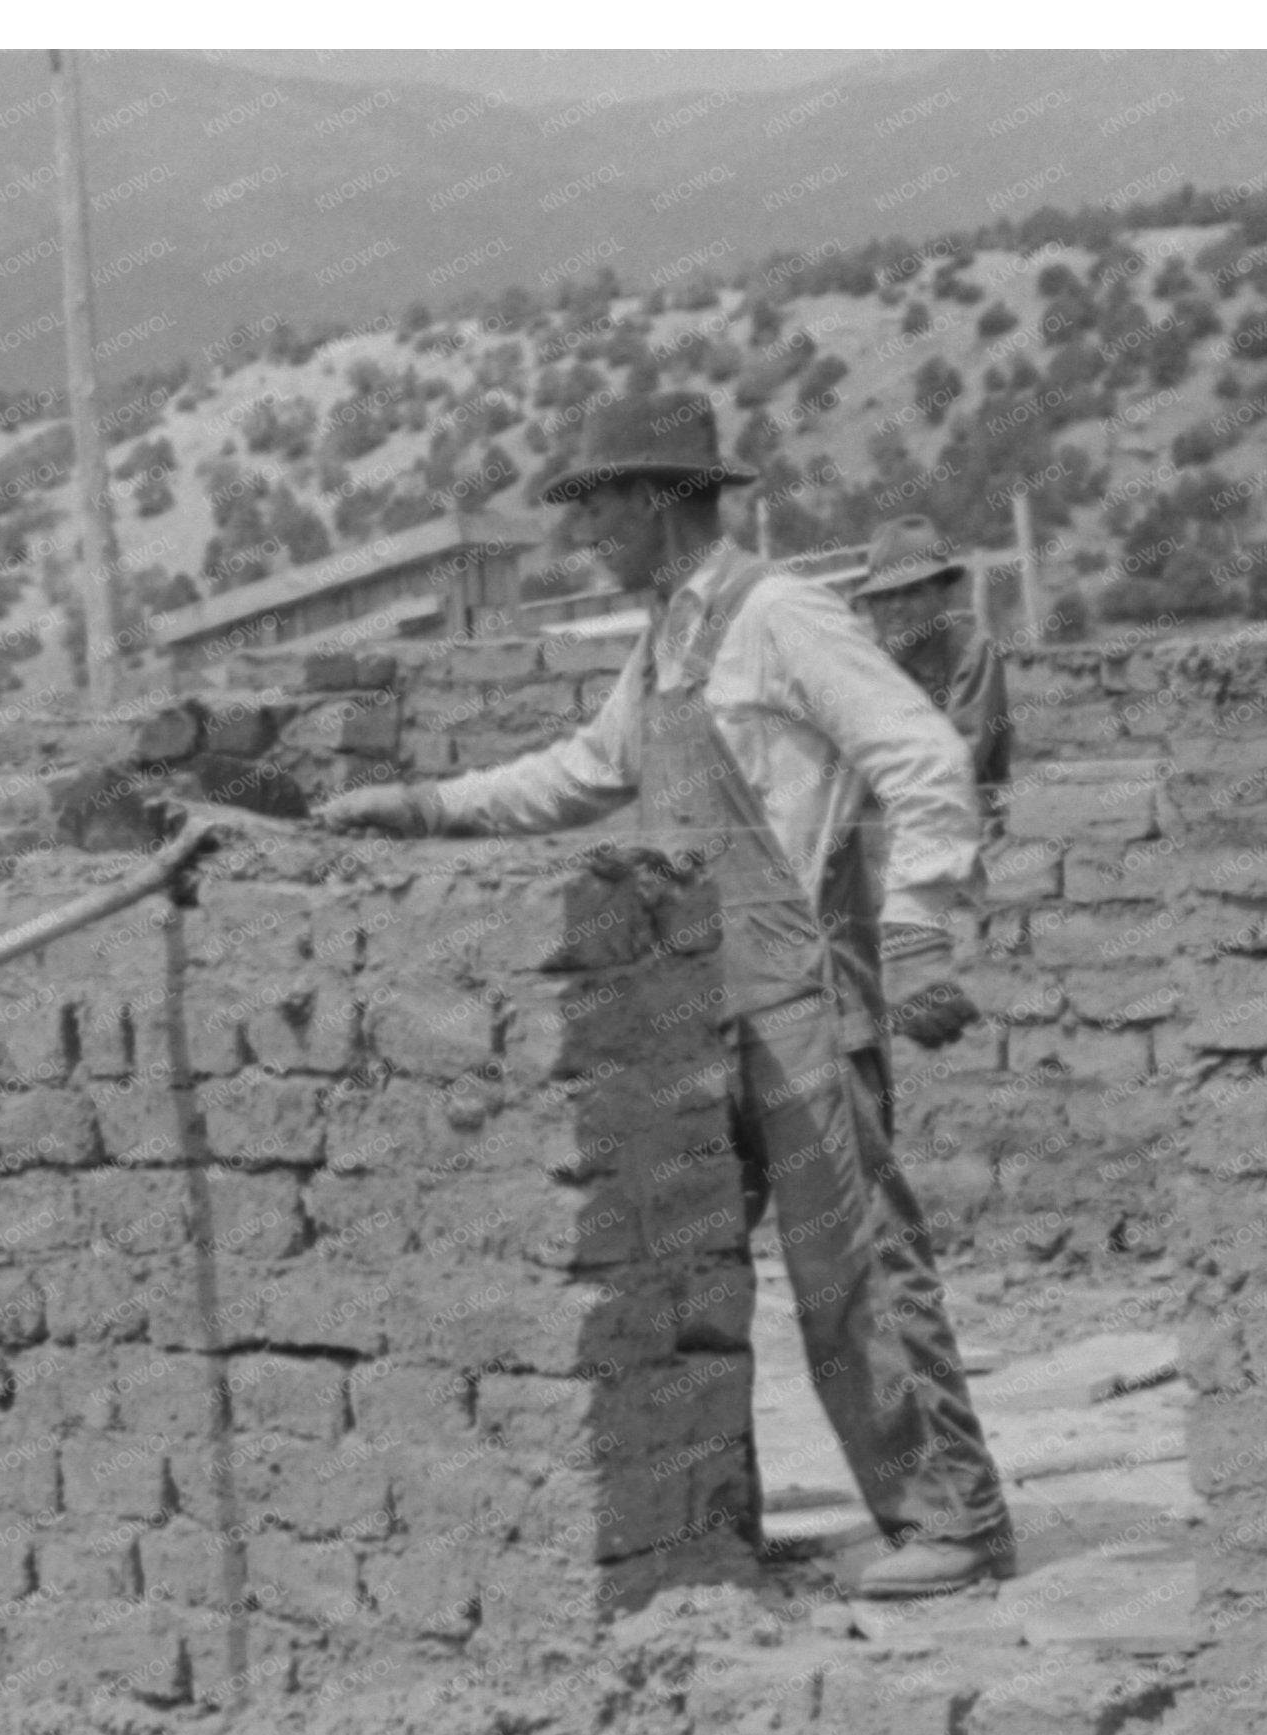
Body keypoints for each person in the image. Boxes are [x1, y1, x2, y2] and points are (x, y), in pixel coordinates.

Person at [317, 392, 1015, 1601]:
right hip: (707, 997)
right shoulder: (668, 640)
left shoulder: (779, 614)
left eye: (592, 508)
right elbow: (590, 770)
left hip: (801, 984)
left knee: (853, 1263)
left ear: (652, 499)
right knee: (690, 1277)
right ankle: (713, 1525)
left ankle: (954, 1517)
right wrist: (429, 807)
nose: (582, 533)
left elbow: (923, 756)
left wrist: (915, 932)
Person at [844, 513, 1013, 1062]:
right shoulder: (864, 664)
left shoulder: (969, 651)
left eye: (912, 594)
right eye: (884, 598)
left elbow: (959, 760)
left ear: (942, 594)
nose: (895, 609)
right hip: (885, 842)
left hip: (960, 835)